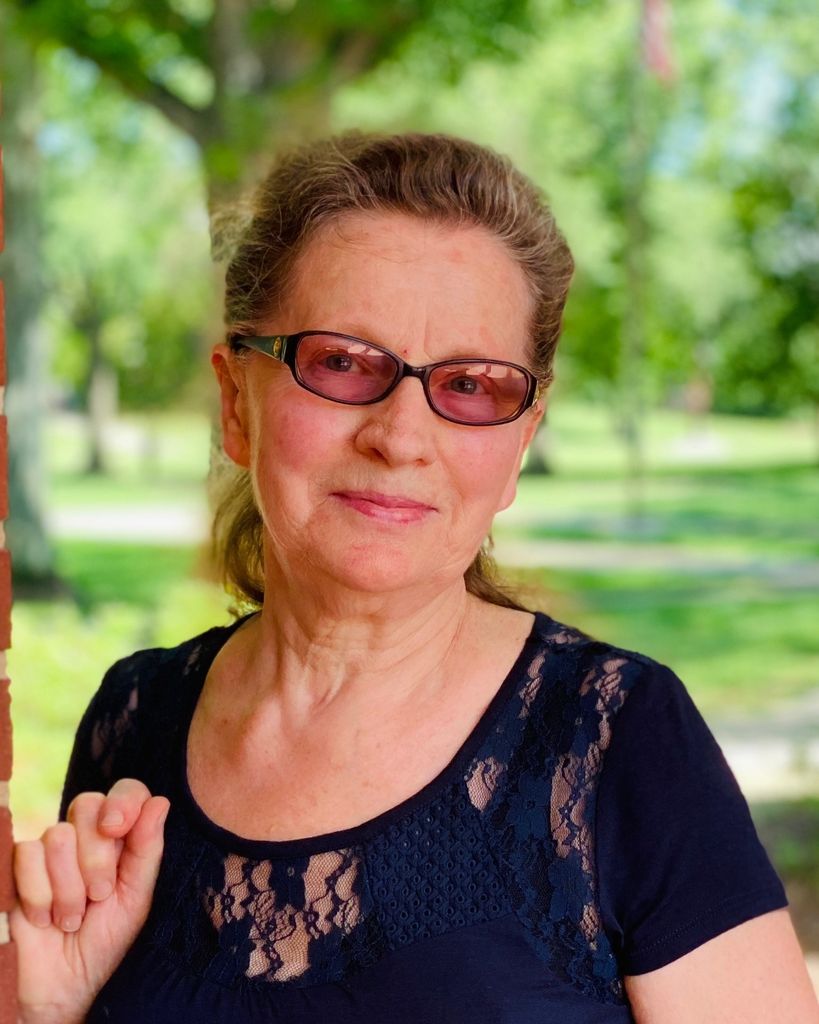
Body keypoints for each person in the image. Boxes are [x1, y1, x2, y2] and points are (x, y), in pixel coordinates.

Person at [12, 131, 819, 1024]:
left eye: (471, 384)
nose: (399, 437)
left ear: (520, 444)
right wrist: (52, 1011)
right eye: (342, 362)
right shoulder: (134, 722)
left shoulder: (619, 739)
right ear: (236, 402)